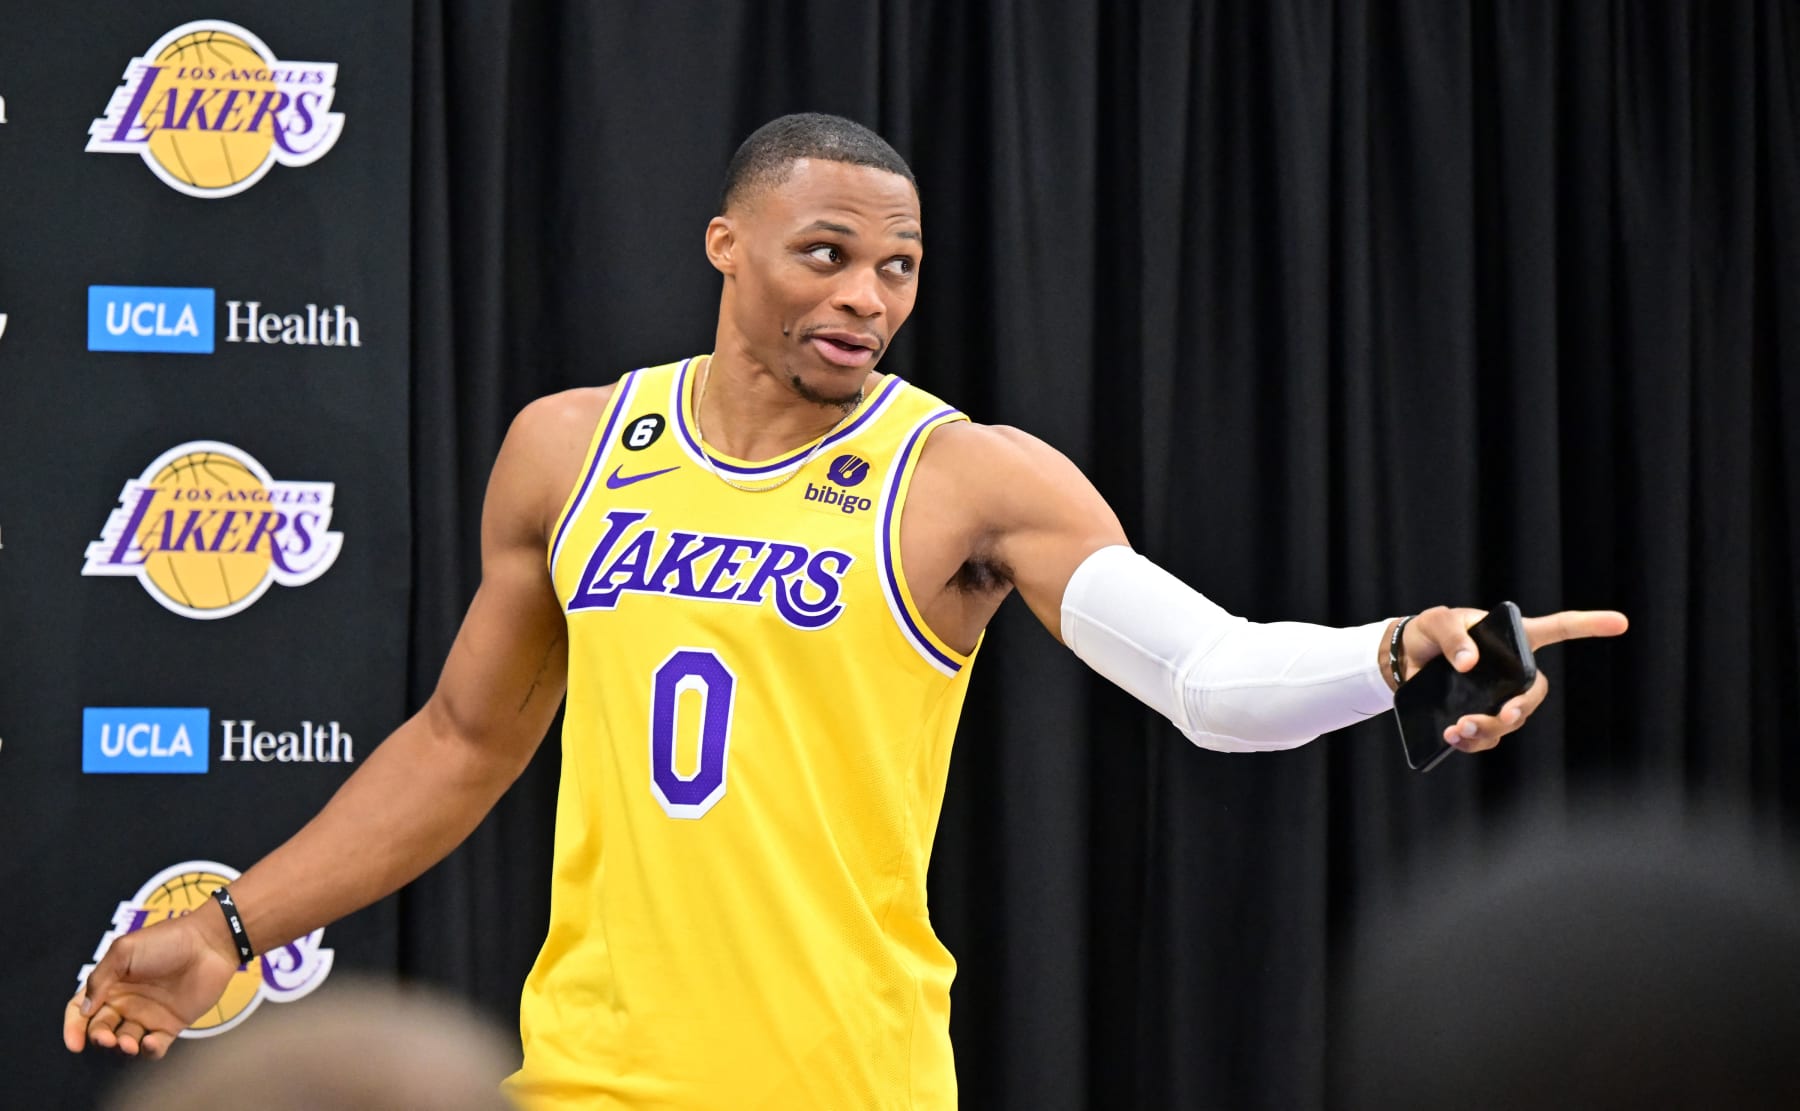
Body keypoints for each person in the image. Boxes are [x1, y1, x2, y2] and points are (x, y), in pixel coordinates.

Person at [63, 113, 1627, 1109]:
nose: (866, 298)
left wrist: (1392, 652)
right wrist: (230, 926)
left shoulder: (966, 477)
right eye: (827, 255)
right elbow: (466, 743)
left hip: (846, 1080)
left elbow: (1209, 678)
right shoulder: (570, 447)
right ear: (725, 245)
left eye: (899, 268)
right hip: (592, 1075)